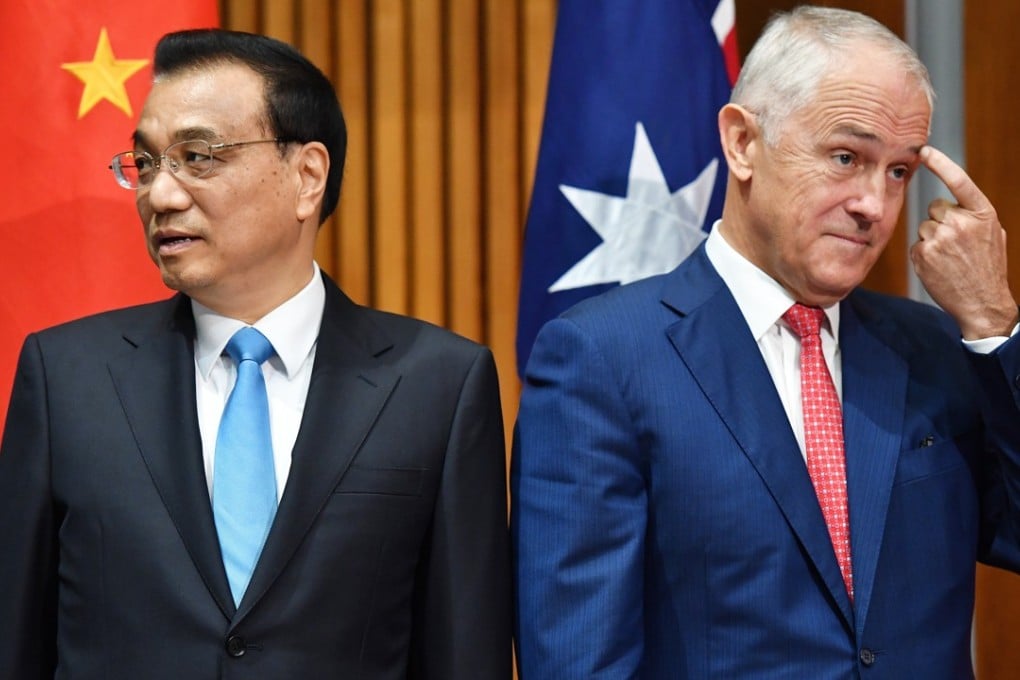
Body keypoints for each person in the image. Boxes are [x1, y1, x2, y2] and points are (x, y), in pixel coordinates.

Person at [512, 6, 1020, 678]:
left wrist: (991, 323)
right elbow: (580, 659)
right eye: (847, 157)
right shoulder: (602, 360)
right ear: (743, 142)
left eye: (898, 171)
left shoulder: (936, 349)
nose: (875, 204)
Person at [0, 29, 511, 679]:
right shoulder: (66, 377)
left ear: (307, 177)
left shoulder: (438, 384)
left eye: (199, 156)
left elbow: (466, 652)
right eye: (147, 163)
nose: (159, 194)